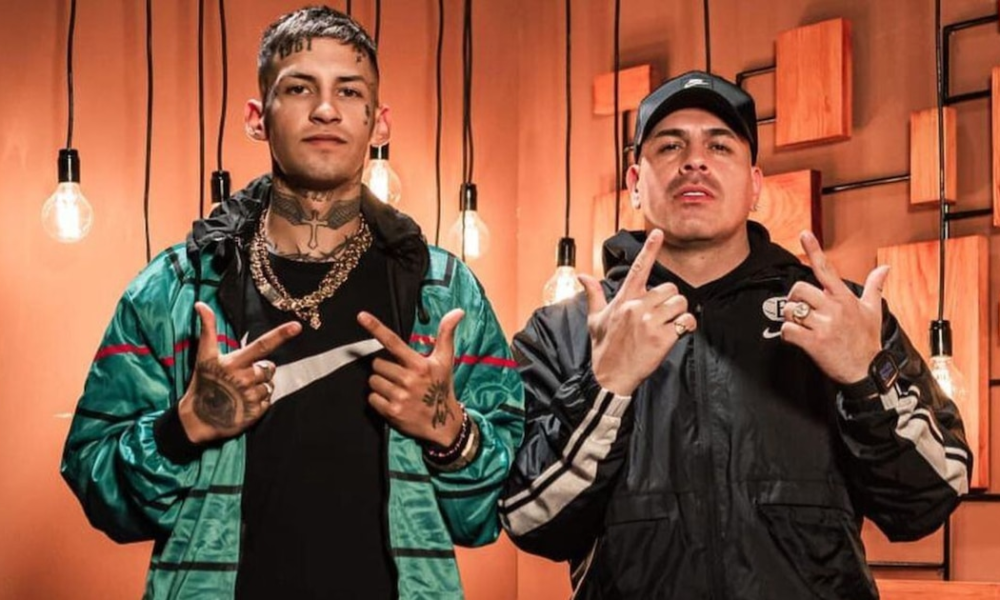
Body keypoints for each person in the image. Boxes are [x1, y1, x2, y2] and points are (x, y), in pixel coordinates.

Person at [61, 6, 523, 599]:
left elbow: (491, 512)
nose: (326, 108)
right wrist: (183, 428)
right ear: (257, 118)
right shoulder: (175, 288)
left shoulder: (444, 292)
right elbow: (97, 487)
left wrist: (452, 433)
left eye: (348, 91)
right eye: (300, 88)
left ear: (379, 123)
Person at [499, 70, 970, 599]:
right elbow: (529, 519)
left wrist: (867, 379)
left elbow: (930, 497)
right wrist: (604, 388)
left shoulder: (837, 315)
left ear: (755, 185)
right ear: (634, 184)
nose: (694, 161)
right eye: (670, 145)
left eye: (720, 145)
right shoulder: (565, 331)